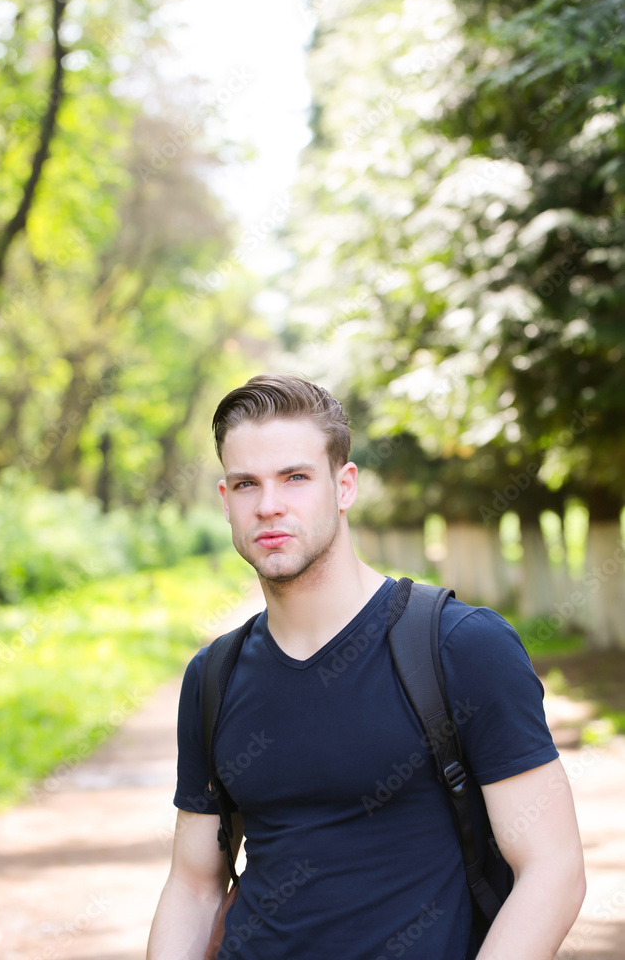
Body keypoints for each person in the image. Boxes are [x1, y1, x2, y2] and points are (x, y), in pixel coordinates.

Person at [147, 373, 586, 960]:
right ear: (226, 500)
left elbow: (552, 869)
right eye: (247, 483)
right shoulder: (214, 676)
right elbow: (195, 886)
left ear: (344, 485)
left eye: (296, 477)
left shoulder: (460, 646)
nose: (269, 505)